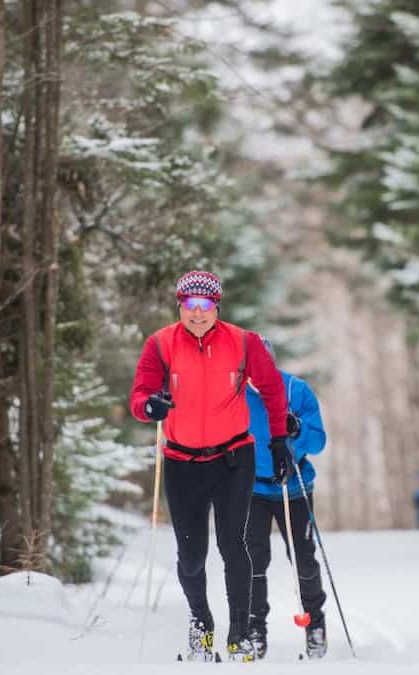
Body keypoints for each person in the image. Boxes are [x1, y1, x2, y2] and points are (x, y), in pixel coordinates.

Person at [129, 270, 289, 662]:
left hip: (234, 459)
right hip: (182, 462)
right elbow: (140, 394)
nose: (197, 313)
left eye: (205, 306)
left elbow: (272, 389)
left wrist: (280, 439)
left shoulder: (244, 342)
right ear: (179, 306)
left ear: (217, 307)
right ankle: (201, 626)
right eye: (189, 305)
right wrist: (151, 407)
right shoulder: (161, 344)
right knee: (191, 554)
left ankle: (239, 634)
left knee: (233, 545)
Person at [244, 337, 328, 660]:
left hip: (293, 487)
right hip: (252, 489)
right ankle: (255, 629)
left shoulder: (295, 390)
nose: (257, 371)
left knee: (303, 559)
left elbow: (318, 441)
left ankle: (315, 623)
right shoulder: (237, 395)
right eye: (251, 364)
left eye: (263, 363)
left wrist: (297, 429)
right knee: (252, 559)